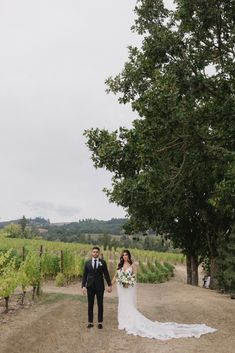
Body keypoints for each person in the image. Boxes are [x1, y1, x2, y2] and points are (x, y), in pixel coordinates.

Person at [111, 249, 217, 340]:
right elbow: (116, 276)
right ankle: (123, 321)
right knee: (122, 303)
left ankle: (131, 321)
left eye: (126, 254)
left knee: (129, 304)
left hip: (129, 288)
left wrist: (128, 282)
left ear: (129, 256)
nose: (125, 256)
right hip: (121, 288)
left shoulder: (133, 265)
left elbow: (135, 277)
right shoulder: (119, 265)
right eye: (123, 254)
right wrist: (110, 285)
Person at [82, 246, 112, 329]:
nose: (95, 253)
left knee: (100, 304)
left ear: (99, 253)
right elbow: (84, 275)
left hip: (100, 286)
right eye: (94, 252)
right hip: (90, 286)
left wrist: (109, 285)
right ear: (91, 253)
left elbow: (106, 274)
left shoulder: (103, 262)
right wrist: (83, 286)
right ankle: (90, 322)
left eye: (97, 252)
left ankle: (100, 322)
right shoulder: (87, 263)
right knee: (90, 305)